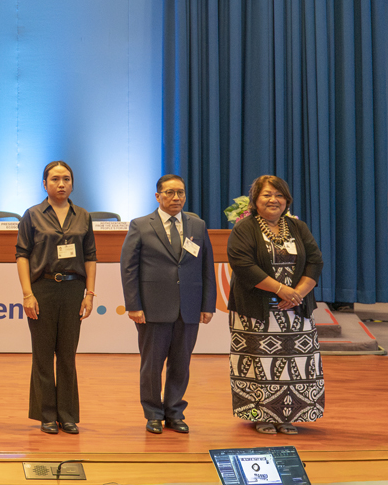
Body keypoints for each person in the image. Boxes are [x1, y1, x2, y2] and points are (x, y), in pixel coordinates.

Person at [227, 175, 324, 435]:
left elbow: (315, 261)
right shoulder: (244, 228)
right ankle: (261, 416)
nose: (274, 200)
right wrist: (281, 290)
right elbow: (243, 265)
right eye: (267, 195)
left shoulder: (298, 227)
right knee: (259, 365)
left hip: (296, 309)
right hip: (255, 311)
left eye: (279, 195)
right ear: (255, 200)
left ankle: (287, 416)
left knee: (295, 363)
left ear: (287, 200)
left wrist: (296, 294)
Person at [120, 174, 216, 435]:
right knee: (152, 365)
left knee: (181, 363)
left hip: (189, 307)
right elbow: (128, 268)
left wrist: (207, 304)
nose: (176, 198)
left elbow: (207, 267)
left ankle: (175, 412)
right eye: (170, 193)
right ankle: (153, 413)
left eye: (180, 193)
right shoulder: (141, 225)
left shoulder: (197, 225)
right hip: (153, 308)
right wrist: (133, 305)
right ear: (158, 196)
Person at [16, 160, 97, 435]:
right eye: (54, 179)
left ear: (72, 183)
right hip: (43, 289)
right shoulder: (32, 215)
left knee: (67, 355)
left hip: (74, 290)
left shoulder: (83, 215)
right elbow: (22, 255)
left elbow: (91, 257)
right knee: (42, 354)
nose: (61, 184)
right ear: (44, 184)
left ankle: (67, 414)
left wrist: (89, 294)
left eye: (66, 179)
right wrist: (27, 294)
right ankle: (46, 415)